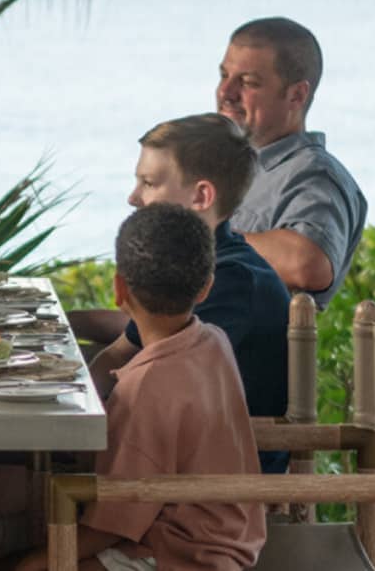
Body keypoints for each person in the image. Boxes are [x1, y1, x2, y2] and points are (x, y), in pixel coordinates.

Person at [8, 204, 266, 571]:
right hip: (232, 544)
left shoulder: (145, 388)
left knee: (25, 565)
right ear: (207, 286)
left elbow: (112, 526)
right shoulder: (214, 342)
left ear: (119, 289)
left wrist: (36, 560)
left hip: (176, 556)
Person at [88, 114, 292, 473]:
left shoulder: (230, 281)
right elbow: (123, 351)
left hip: (220, 482)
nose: (133, 198)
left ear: (201, 195)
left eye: (149, 183)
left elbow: (147, 385)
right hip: (175, 450)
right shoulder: (192, 266)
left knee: (6, 475)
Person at [217, 17, 366, 309]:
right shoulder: (235, 169)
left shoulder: (313, 175)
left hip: (235, 352)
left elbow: (308, 264)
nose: (225, 92)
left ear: (296, 95)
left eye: (247, 82)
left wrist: (201, 235)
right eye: (224, 76)